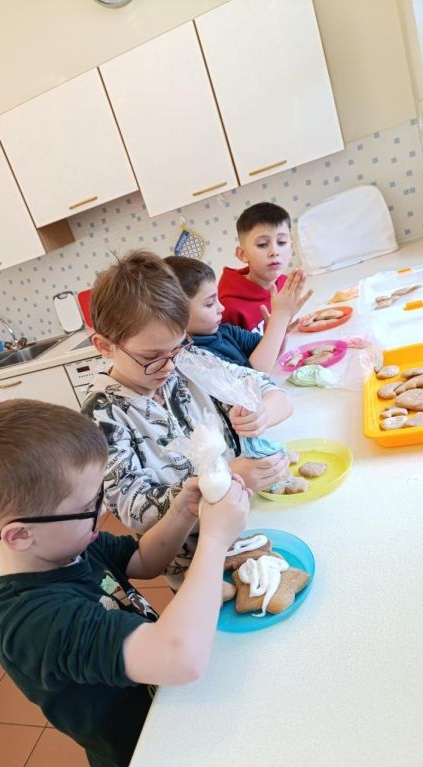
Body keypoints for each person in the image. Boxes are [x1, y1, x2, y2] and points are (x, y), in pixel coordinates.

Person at [0, 398, 250, 767]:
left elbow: (144, 560)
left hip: (169, 700)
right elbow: (180, 658)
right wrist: (214, 540)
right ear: (20, 535)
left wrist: (182, 511)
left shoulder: (70, 545)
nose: (102, 511)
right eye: (88, 506)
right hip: (144, 749)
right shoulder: (30, 621)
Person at [82, 250, 292, 589]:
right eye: (152, 356)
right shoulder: (102, 416)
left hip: (252, 525)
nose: (169, 366)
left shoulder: (189, 361)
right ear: (105, 346)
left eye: (177, 346)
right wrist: (223, 478)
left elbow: (271, 390)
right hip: (193, 565)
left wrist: (261, 412)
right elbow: (134, 508)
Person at [165, 254, 308, 371]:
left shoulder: (226, 331)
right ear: (176, 314)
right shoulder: (193, 356)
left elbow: (269, 354)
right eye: (210, 303)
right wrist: (279, 318)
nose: (221, 308)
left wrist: (279, 331)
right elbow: (252, 376)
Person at [218, 201, 312, 332]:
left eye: (281, 242)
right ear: (243, 254)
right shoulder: (228, 308)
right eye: (262, 244)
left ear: (291, 248)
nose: (274, 252)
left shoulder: (286, 285)